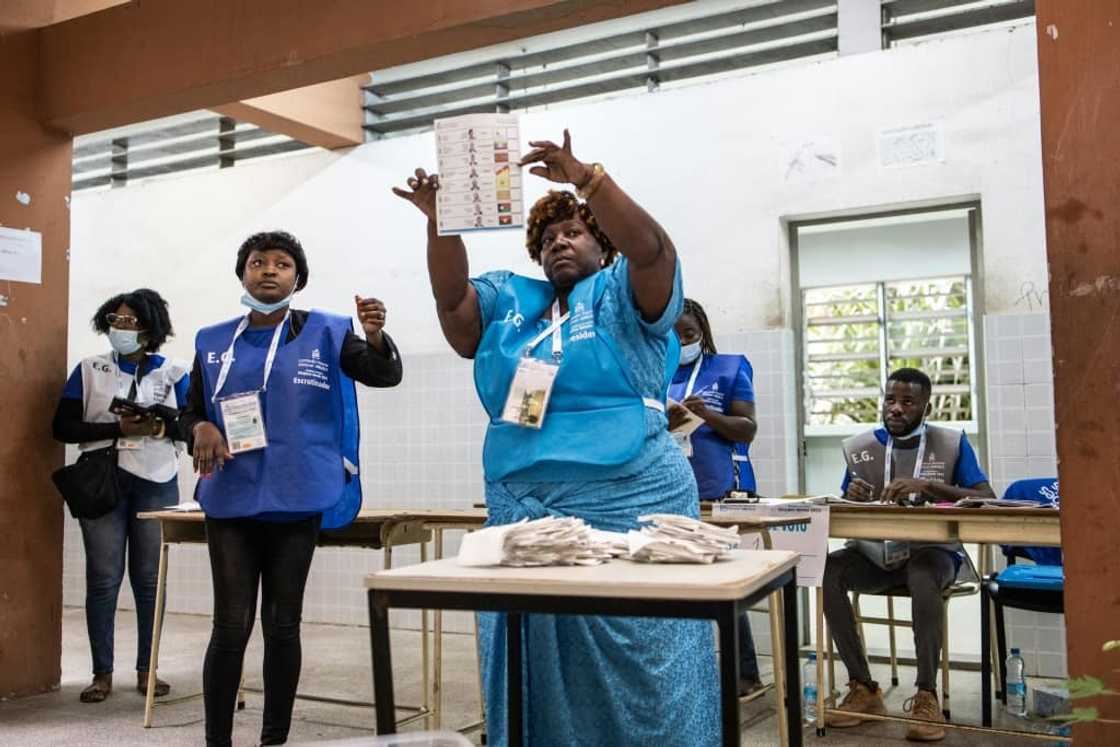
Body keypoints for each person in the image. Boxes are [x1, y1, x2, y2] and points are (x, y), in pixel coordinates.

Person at [392, 130, 719, 746]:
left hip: (632, 502)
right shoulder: (510, 301)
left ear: (602, 242)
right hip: (524, 514)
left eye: (573, 231)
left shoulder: (625, 293)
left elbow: (654, 253)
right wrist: (439, 223)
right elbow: (451, 302)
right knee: (530, 658)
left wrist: (587, 179)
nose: (558, 243)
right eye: (546, 239)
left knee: (645, 661)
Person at [179, 231, 403, 747]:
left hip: (297, 495)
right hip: (231, 498)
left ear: (297, 279)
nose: (269, 271)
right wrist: (199, 427)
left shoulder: (327, 331)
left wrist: (372, 336)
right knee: (230, 627)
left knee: (282, 624)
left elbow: (381, 374)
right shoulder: (213, 341)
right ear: (243, 275)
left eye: (282, 264)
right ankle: (218, 742)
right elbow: (189, 409)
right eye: (258, 263)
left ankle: (273, 740)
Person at [823, 368, 995, 742]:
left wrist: (929, 485)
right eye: (890, 399)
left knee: (921, 573)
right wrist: (852, 494)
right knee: (828, 570)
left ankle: (925, 694)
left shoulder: (950, 442)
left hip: (934, 554)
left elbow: (988, 496)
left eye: (907, 402)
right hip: (877, 555)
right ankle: (864, 688)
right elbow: (845, 499)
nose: (896, 409)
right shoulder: (861, 446)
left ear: (925, 407)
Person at [52, 288, 189, 703]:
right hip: (103, 479)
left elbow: (189, 425)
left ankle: (148, 671)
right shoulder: (90, 369)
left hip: (156, 477)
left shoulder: (175, 372)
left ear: (151, 328)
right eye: (115, 320)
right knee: (103, 579)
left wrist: (161, 427)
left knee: (149, 581)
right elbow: (62, 428)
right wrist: (118, 430)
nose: (121, 328)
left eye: (130, 322)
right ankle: (101, 674)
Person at [668, 297, 762, 695]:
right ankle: (687, 669)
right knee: (673, 581)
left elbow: (747, 429)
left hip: (721, 485)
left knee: (724, 578)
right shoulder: (654, 371)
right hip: (669, 486)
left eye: (688, 333)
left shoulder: (730, 367)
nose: (681, 341)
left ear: (703, 332)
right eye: (673, 335)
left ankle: (745, 672)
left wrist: (708, 415)